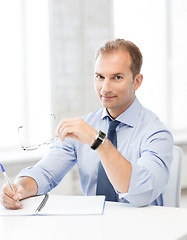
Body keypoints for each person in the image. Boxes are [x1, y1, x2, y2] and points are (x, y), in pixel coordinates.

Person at [0, 39, 173, 209]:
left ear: (137, 81)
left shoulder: (156, 133)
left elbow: (142, 193)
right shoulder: (84, 126)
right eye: (100, 77)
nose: (105, 88)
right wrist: (20, 188)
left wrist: (98, 141)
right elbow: (46, 173)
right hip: (93, 228)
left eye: (117, 77)